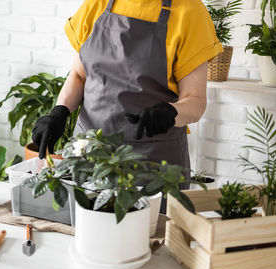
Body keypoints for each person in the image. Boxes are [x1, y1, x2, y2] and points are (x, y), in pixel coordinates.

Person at [32, 0, 222, 186]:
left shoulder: (189, 11)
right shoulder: (97, 3)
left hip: (153, 164)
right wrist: (59, 112)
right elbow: (79, 76)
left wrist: (171, 112)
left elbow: (195, 101)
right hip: (90, 155)